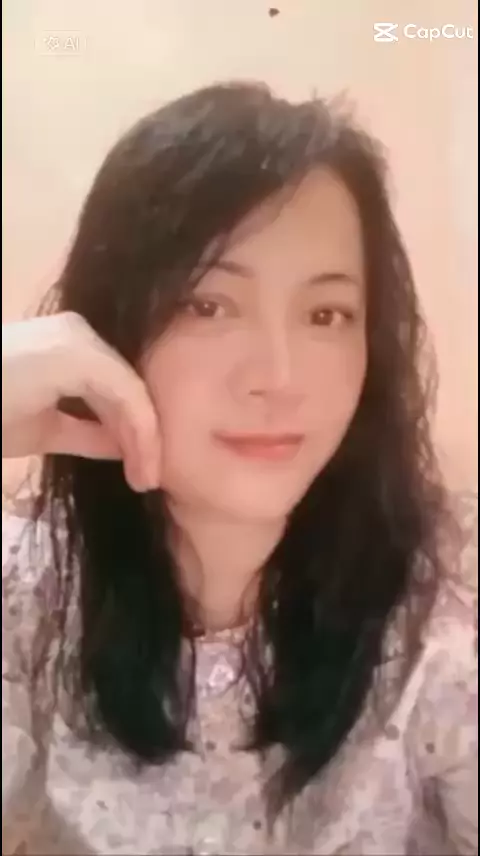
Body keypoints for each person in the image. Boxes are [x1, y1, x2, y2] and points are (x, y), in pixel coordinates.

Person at [2, 81, 477, 856]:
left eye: (326, 315)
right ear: (111, 328)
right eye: (208, 305)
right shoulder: (28, 593)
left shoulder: (451, 598)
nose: (279, 377)